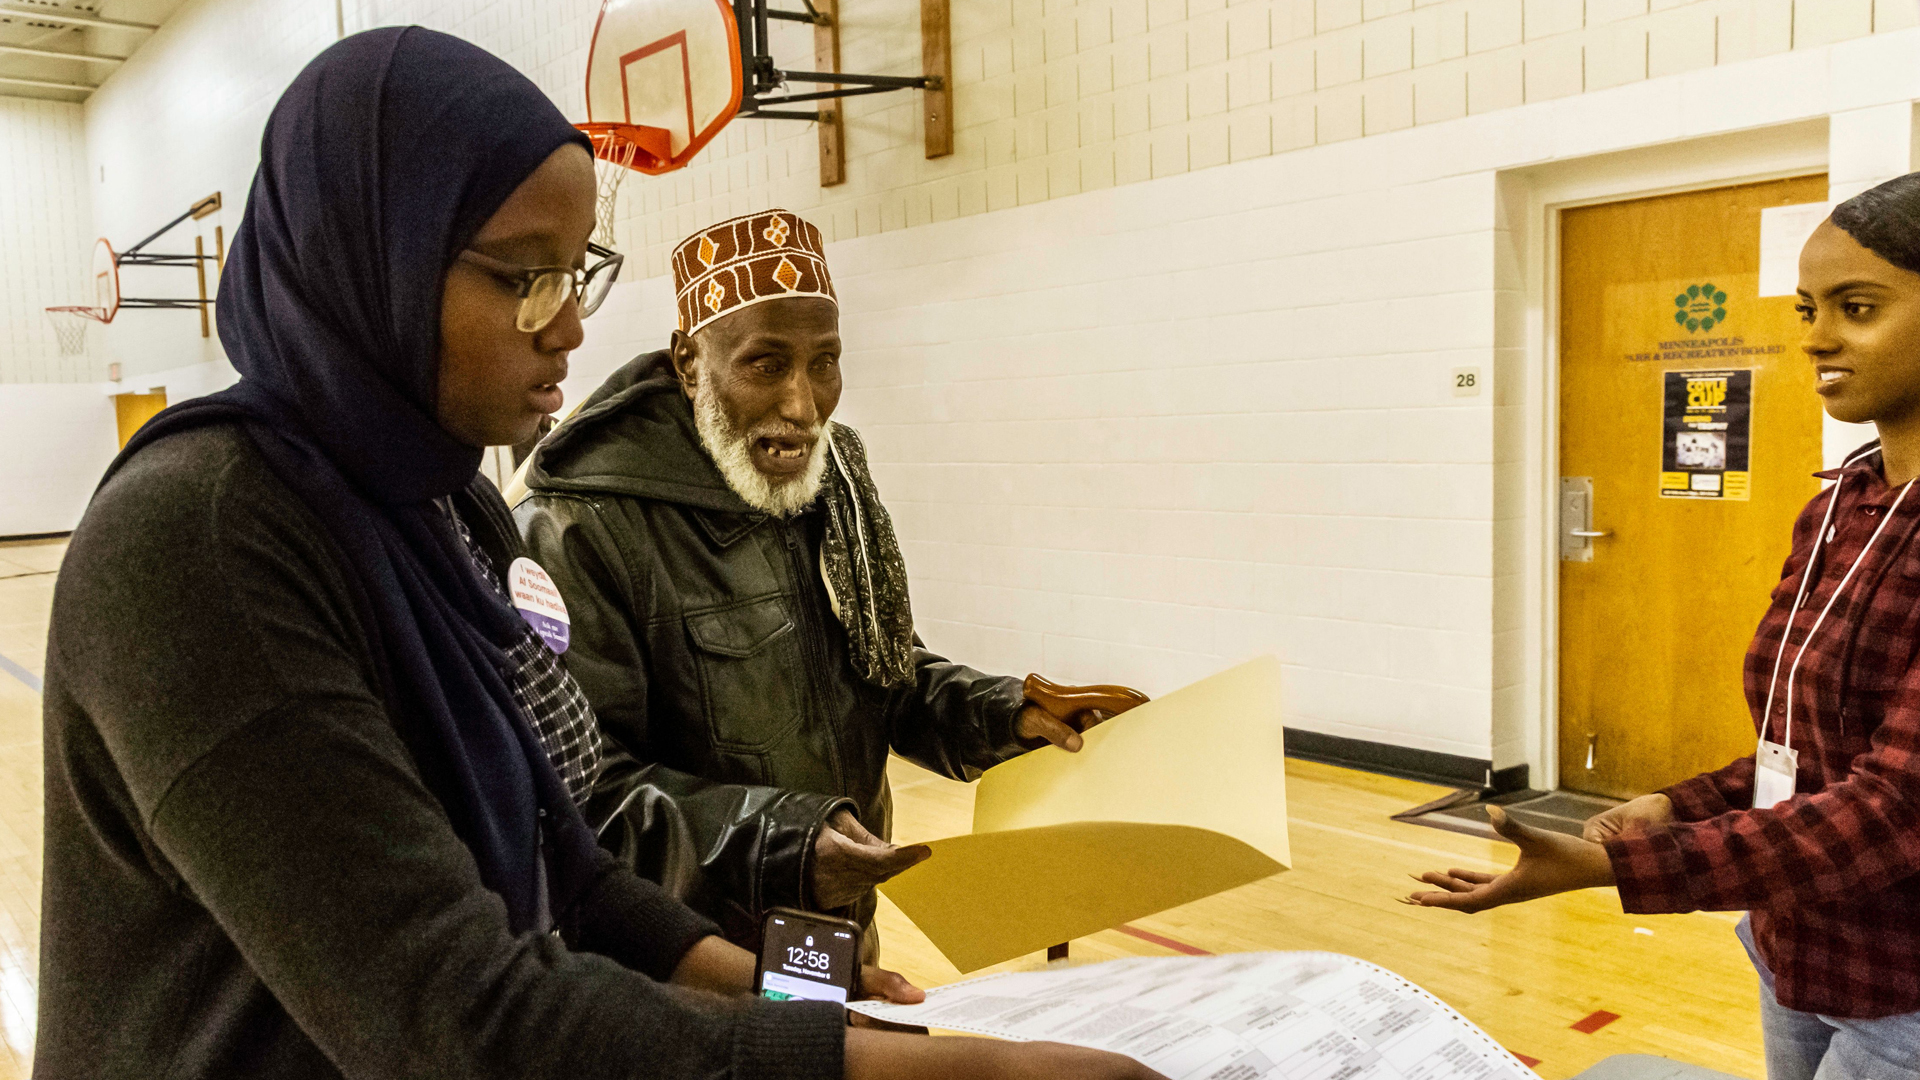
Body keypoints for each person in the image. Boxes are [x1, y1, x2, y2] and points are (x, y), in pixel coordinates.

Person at [36, 27, 1162, 1080]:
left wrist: (793, 992)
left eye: (577, 272)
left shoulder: (445, 507)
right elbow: (451, 1011)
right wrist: (915, 1061)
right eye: (525, 276)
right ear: (368, 260)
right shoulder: (205, 539)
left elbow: (567, 863)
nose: (569, 323)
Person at [514, 209, 1150, 948]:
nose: (803, 405)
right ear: (690, 362)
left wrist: (1007, 715)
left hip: (832, 926)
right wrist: (781, 844)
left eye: (825, 362)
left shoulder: (835, 477)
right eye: (766, 363)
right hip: (684, 965)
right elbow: (580, 798)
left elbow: (886, 673)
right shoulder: (581, 524)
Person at [1404, 174, 1920, 1078]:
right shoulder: (1841, 503)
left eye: (1859, 306)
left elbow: (1893, 810)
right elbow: (1801, 751)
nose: (1817, 338)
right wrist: (1670, 809)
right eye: (1808, 308)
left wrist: (1620, 869)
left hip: (1903, 989)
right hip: (1795, 947)